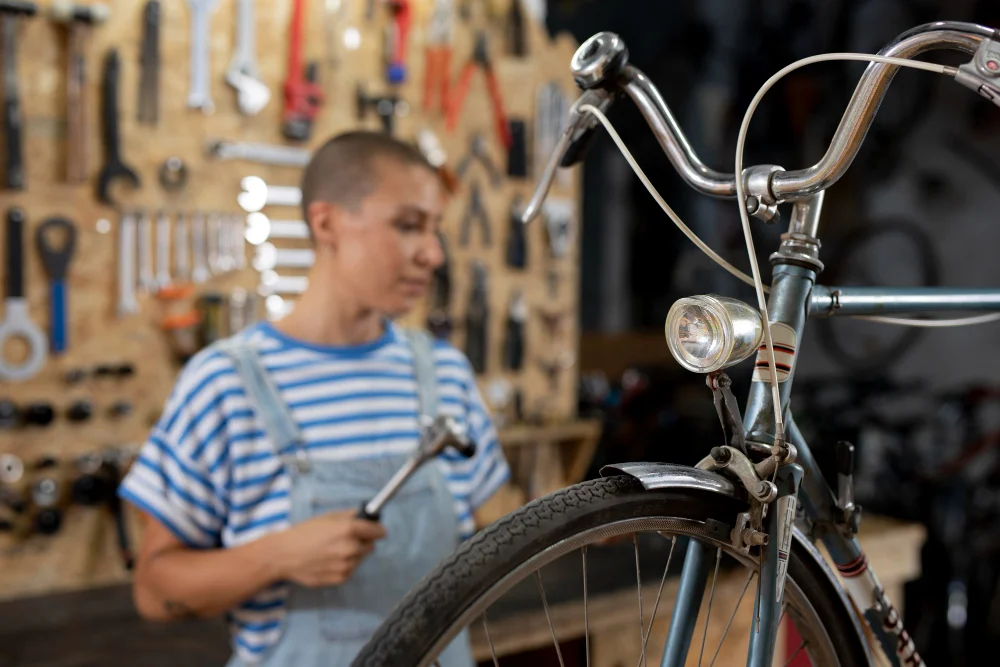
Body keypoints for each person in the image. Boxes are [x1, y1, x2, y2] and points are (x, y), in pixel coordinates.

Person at [118, 131, 511, 667]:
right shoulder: (225, 383)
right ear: (326, 223)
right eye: (408, 224)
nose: (433, 253)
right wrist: (278, 555)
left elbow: (500, 527)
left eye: (435, 228)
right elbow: (155, 591)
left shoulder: (446, 373)